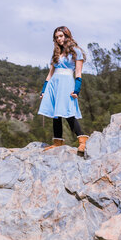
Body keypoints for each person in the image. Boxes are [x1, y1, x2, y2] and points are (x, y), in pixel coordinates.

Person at [38, 26, 88, 155]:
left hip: (67, 83)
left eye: (61, 36)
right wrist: (44, 90)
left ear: (67, 35)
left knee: (68, 111)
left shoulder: (76, 52)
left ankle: (82, 141)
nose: (59, 39)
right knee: (56, 113)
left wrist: (76, 90)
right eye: (56, 37)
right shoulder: (55, 54)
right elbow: (50, 74)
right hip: (53, 84)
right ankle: (58, 142)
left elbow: (78, 73)